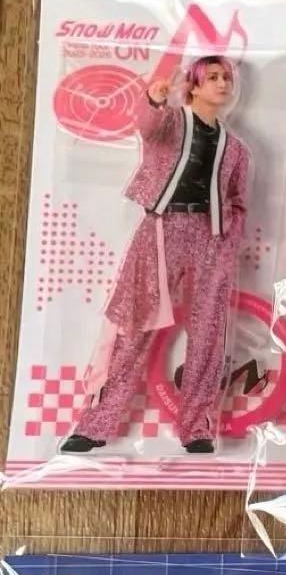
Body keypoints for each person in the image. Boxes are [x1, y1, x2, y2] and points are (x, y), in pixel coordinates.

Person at [61, 55, 250, 456]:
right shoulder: (171, 123)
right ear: (193, 85)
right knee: (135, 323)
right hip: (162, 228)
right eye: (212, 77)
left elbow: (237, 200)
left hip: (211, 236)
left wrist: (227, 238)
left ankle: (196, 428)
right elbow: (146, 126)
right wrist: (153, 98)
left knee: (208, 332)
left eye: (226, 78)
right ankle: (96, 424)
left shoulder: (235, 149)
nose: (222, 84)